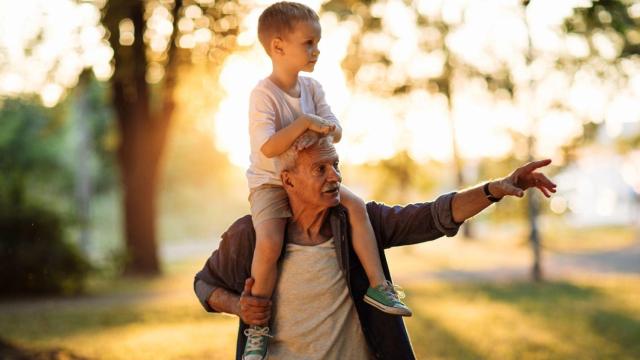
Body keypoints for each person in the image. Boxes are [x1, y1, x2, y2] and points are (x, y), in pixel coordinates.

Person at [194, 131, 557, 360]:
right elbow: (205, 284)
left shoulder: (358, 223)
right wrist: (237, 305)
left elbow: (432, 216)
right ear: (287, 180)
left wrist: (494, 188)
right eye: (320, 169)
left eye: (335, 165)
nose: (335, 176)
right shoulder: (253, 235)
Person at [243, 2, 411, 359]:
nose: (316, 50)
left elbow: (335, 129)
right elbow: (269, 147)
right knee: (270, 242)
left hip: (312, 179)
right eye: (308, 43)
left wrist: (326, 126)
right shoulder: (263, 95)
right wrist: (304, 123)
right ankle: (256, 328)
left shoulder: (313, 88)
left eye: (317, 43)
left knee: (356, 206)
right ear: (277, 47)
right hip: (271, 184)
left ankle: (379, 286)